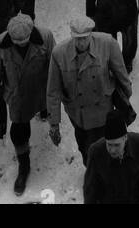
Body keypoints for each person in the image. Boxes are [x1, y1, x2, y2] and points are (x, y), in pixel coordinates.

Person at [47, 19, 132, 162]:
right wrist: (54, 123)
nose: (81, 43)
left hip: (103, 110)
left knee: (107, 147)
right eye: (77, 39)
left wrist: (125, 101)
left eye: (84, 38)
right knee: (86, 149)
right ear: (72, 36)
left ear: (91, 34)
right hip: (78, 113)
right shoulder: (59, 54)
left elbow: (121, 75)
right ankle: (92, 171)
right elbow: (53, 90)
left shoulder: (107, 44)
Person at [0, 12, 56, 196]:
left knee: (43, 107)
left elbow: (54, 65)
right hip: (17, 96)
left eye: (24, 40)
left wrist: (56, 92)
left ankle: (42, 111)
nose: (21, 43)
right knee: (18, 132)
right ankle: (24, 166)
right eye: (17, 41)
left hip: (40, 90)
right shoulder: (0, 42)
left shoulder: (46, 37)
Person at [83, 113, 139, 205]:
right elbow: (90, 189)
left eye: (117, 145)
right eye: (109, 144)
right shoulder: (96, 152)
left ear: (125, 138)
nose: (112, 150)